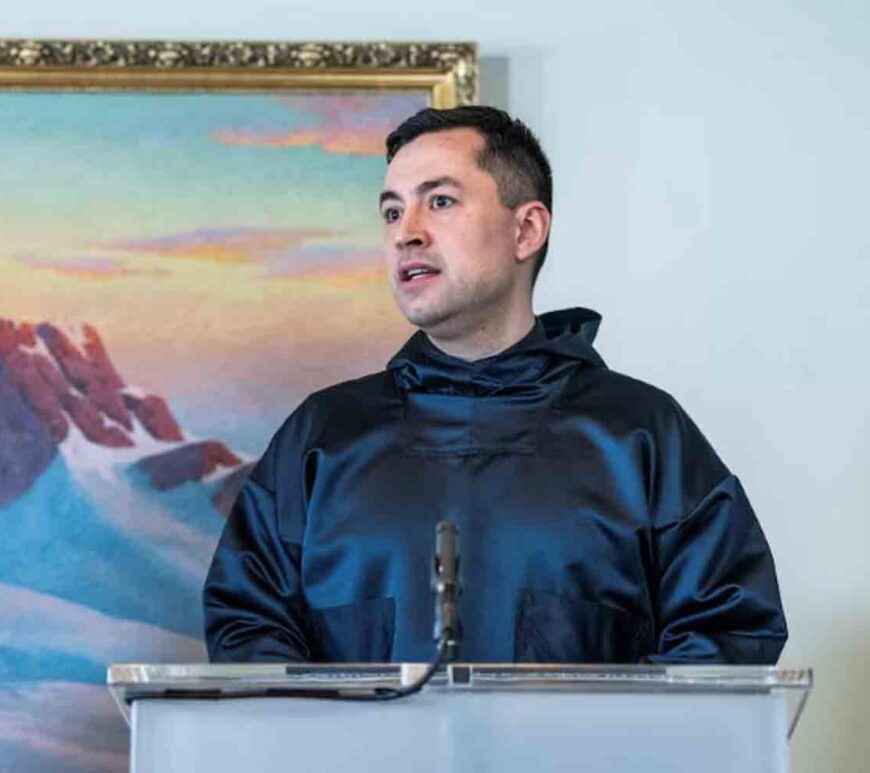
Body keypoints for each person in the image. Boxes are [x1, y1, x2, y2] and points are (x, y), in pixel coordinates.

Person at [203, 106, 787, 665]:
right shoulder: (325, 436)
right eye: (390, 212)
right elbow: (247, 622)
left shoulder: (640, 433)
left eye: (439, 201)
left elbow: (729, 629)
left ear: (526, 229)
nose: (407, 233)